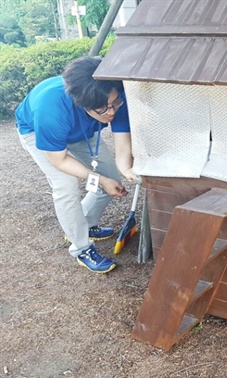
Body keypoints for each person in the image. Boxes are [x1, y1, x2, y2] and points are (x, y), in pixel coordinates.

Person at [15, 56, 136, 274]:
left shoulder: (116, 98)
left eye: (114, 104)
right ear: (83, 105)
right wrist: (98, 179)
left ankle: (83, 224)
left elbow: (123, 148)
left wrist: (128, 171)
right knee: (66, 185)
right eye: (103, 109)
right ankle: (81, 247)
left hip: (83, 130)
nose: (111, 112)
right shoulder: (51, 109)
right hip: (39, 131)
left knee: (112, 179)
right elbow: (60, 161)